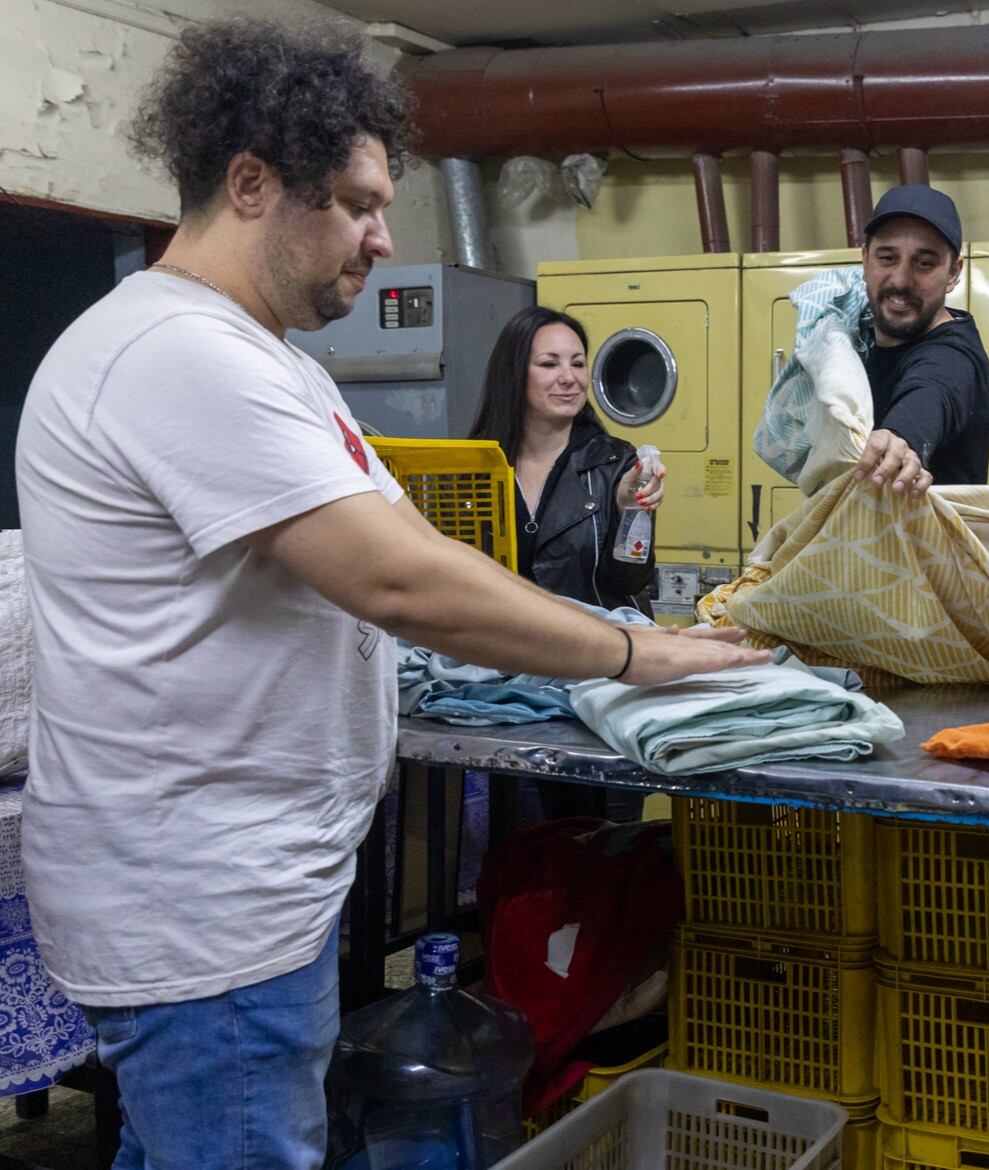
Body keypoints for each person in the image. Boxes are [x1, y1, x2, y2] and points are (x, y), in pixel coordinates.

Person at [14, 20, 766, 1170]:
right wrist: (636, 656)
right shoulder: (175, 353)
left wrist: (602, 629)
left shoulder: (276, 363)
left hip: (253, 886)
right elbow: (398, 578)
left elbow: (410, 539)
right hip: (205, 903)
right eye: (361, 205)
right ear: (252, 184)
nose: (382, 236)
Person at [469, 305, 661, 615]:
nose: (569, 378)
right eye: (549, 364)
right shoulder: (472, 467)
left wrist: (630, 511)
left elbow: (630, 580)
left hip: (592, 640)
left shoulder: (615, 464)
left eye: (578, 364)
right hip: (499, 639)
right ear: (514, 372)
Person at [851, 185, 989, 494]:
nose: (901, 280)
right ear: (865, 260)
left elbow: (935, 389)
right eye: (887, 258)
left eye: (925, 263)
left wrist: (901, 436)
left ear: (954, 272)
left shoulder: (954, 356)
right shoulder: (852, 335)